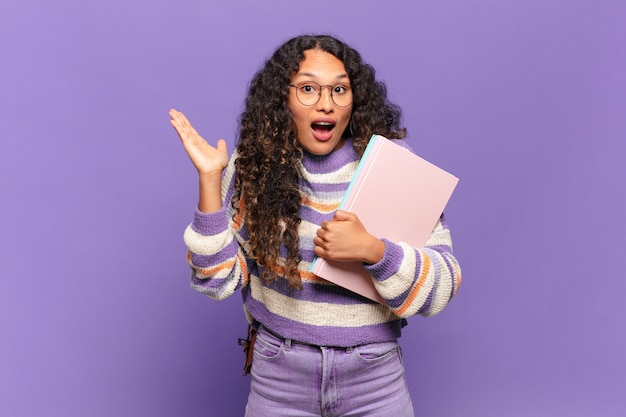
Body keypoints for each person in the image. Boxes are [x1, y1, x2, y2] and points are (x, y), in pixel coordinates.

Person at [169, 34, 461, 417]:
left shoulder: (391, 165)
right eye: (308, 88)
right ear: (283, 99)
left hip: (374, 381)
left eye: (340, 89)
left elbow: (443, 285)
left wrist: (374, 251)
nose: (326, 103)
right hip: (279, 378)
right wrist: (210, 180)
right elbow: (217, 281)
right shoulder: (254, 167)